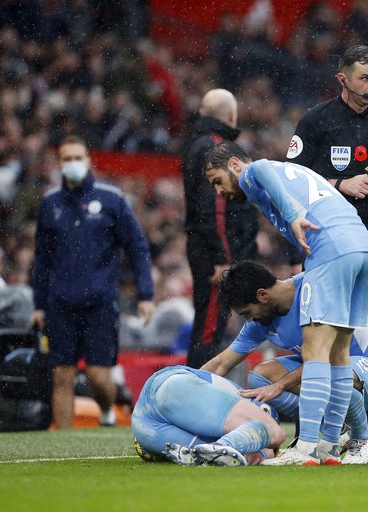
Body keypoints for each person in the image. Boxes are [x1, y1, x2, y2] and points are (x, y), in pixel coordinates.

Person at [203, 141, 368, 466]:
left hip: (331, 250)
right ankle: (326, 447)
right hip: (363, 249)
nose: (219, 192)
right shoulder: (289, 176)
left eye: (218, 181)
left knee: (316, 352)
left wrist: (295, 214)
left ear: (235, 166)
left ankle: (307, 447)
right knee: (339, 354)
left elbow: (262, 167)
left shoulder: (254, 172)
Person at [201, 261, 368, 464]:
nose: (249, 319)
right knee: (260, 377)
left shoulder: (315, 291)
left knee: (329, 374)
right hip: (332, 369)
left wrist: (280, 386)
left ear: (262, 295)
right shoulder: (261, 318)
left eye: (246, 312)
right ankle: (339, 427)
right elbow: (221, 364)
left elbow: (325, 358)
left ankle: (363, 436)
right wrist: (187, 382)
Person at [285, 44, 368, 331]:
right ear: (342, 79)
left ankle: (364, 376)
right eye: (365, 78)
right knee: (323, 321)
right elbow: (291, 178)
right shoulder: (315, 121)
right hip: (326, 236)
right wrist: (341, 184)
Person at [30, 135, 154, 429]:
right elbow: (42, 260)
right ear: (59, 164)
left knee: (99, 375)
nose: (72, 164)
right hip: (59, 302)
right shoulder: (50, 204)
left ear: (88, 160)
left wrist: (145, 294)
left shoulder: (111, 198)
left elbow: (137, 247)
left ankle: (109, 409)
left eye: (77, 157)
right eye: (66, 159)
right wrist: (38, 303)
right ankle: (62, 445)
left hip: (100, 301)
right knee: (62, 374)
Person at [181, 88, 258, 368]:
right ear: (230, 115)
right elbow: (217, 209)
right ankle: (194, 397)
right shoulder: (216, 149)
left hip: (203, 249)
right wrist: (223, 259)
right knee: (210, 329)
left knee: (208, 326)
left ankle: (196, 393)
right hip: (217, 257)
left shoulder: (196, 144)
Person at [132, 365, 286, 466]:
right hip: (170, 388)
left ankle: (218, 449)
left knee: (209, 453)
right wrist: (265, 451)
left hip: (144, 429)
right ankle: (220, 447)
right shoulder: (257, 407)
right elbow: (270, 433)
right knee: (275, 434)